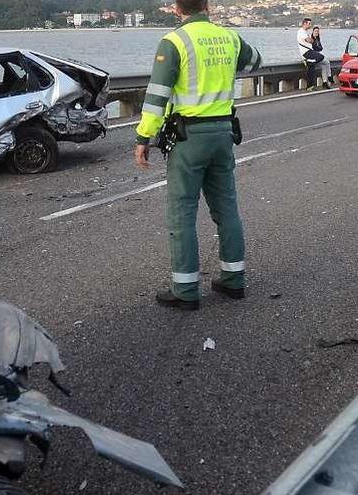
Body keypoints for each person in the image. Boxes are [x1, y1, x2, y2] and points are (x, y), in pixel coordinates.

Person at [134, 0, 262, 311]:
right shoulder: (230, 38)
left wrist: (143, 136)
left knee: (183, 213)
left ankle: (186, 290)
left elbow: (157, 95)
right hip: (223, 133)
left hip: (189, 137)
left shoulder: (174, 41)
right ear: (207, 5)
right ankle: (233, 281)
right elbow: (255, 62)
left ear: (177, 9)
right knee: (226, 209)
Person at [297, 17, 323, 89]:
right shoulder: (301, 32)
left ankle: (310, 86)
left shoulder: (305, 32)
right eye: (309, 23)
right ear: (304, 23)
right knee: (321, 57)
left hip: (309, 51)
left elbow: (311, 41)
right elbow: (309, 40)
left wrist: (312, 40)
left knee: (311, 70)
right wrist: (312, 40)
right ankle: (308, 61)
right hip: (306, 52)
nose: (310, 25)